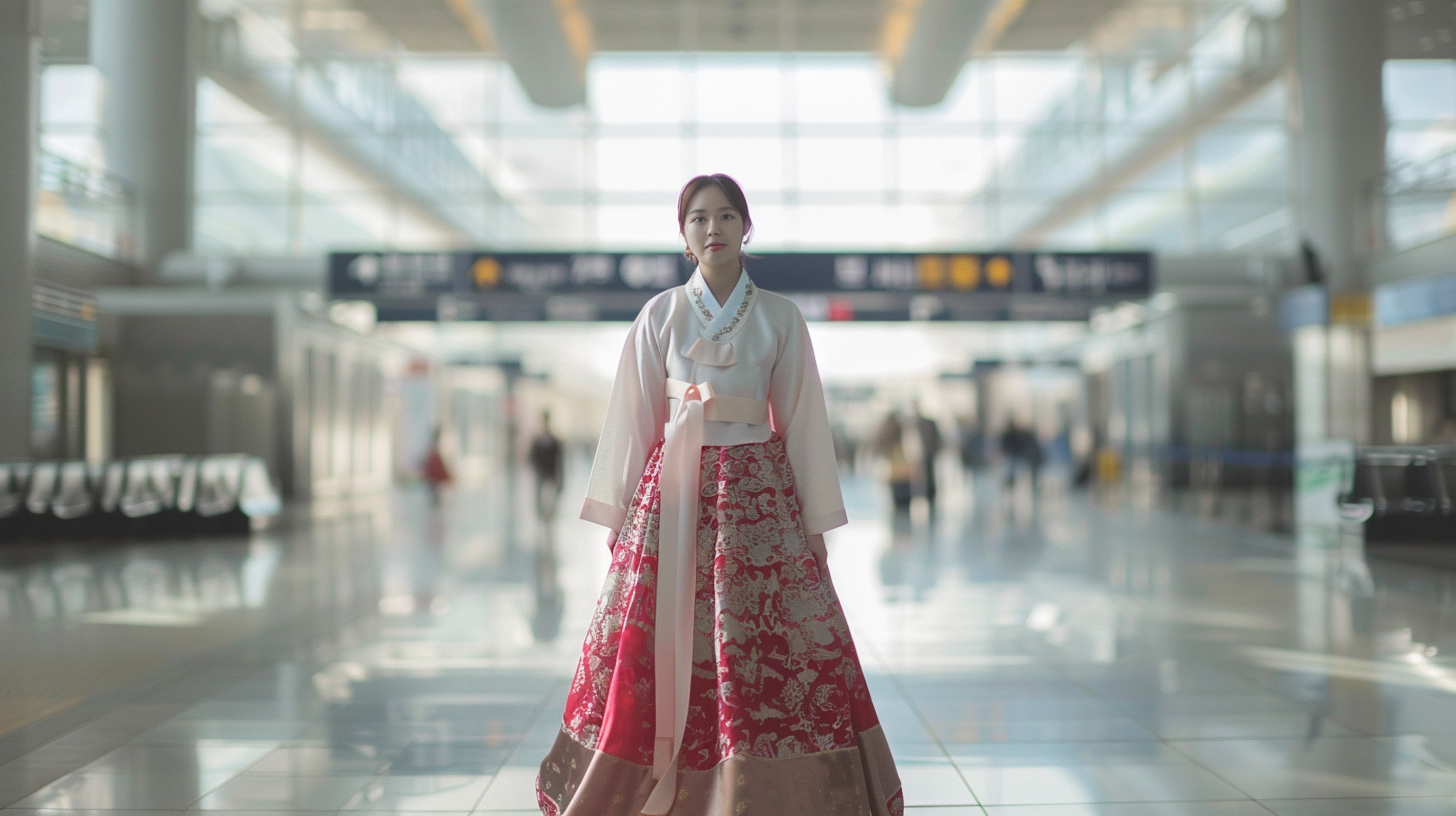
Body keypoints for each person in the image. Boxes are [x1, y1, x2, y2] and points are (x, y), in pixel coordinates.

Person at [536, 175, 904, 816]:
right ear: (684, 235)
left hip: (756, 492)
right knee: (655, 633)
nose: (714, 229)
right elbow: (634, 415)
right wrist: (620, 512)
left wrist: (814, 520)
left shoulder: (781, 317)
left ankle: (765, 782)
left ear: (745, 227)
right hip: (672, 487)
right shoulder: (662, 314)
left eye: (727, 215)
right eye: (700, 218)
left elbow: (802, 417)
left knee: (755, 636)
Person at [528, 410, 564, 519]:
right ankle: (541, 516)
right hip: (541, 473)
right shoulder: (537, 439)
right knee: (539, 496)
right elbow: (532, 457)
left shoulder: (555, 440)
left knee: (551, 496)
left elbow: (559, 460)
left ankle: (550, 516)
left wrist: (560, 478)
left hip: (551, 473)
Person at [422, 426, 451, 506]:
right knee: (434, 488)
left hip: (434, 470)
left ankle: (435, 501)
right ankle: (435, 501)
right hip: (434, 470)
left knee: (434, 488)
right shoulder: (434, 447)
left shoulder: (435, 447)